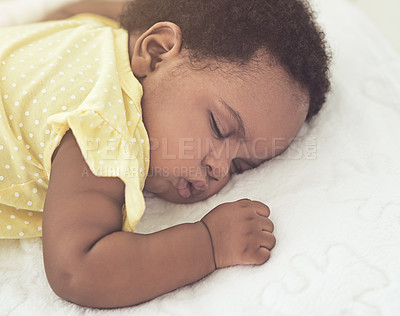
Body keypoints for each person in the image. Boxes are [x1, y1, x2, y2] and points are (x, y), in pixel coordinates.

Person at [0, 0, 330, 308]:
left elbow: (77, 9)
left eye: (241, 165)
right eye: (218, 126)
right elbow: (78, 269)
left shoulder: (97, 33)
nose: (218, 167)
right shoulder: (105, 125)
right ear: (156, 53)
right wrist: (208, 244)